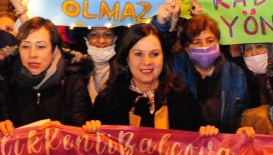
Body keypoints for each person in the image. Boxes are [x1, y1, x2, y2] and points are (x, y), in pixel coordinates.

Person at [83, 23, 218, 137]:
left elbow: (198, 146)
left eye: (154, 54)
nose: (147, 62)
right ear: (127, 59)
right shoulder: (108, 101)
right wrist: (91, 130)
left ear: (164, 57)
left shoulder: (183, 98)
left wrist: (207, 133)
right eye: (138, 54)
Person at [0, 17, 93, 127]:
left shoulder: (72, 81)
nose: (32, 54)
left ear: (55, 50)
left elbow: (81, 128)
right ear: (18, 49)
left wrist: (63, 129)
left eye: (41, 46)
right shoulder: (5, 81)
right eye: (25, 46)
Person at [174, 15, 248, 133]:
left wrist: (241, 130)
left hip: (223, 143)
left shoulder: (236, 75)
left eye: (210, 41)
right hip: (185, 143)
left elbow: (240, 117)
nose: (205, 47)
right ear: (187, 49)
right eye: (197, 42)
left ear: (218, 43)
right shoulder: (176, 72)